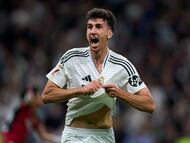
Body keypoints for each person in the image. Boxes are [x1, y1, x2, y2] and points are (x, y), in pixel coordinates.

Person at [42, 8, 156, 143]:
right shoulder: (71, 57)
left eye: (98, 27)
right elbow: (47, 95)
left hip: (104, 136)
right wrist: (81, 90)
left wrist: (119, 93)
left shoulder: (122, 65)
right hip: (75, 135)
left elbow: (149, 105)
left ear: (109, 33)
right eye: (89, 27)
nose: (93, 31)